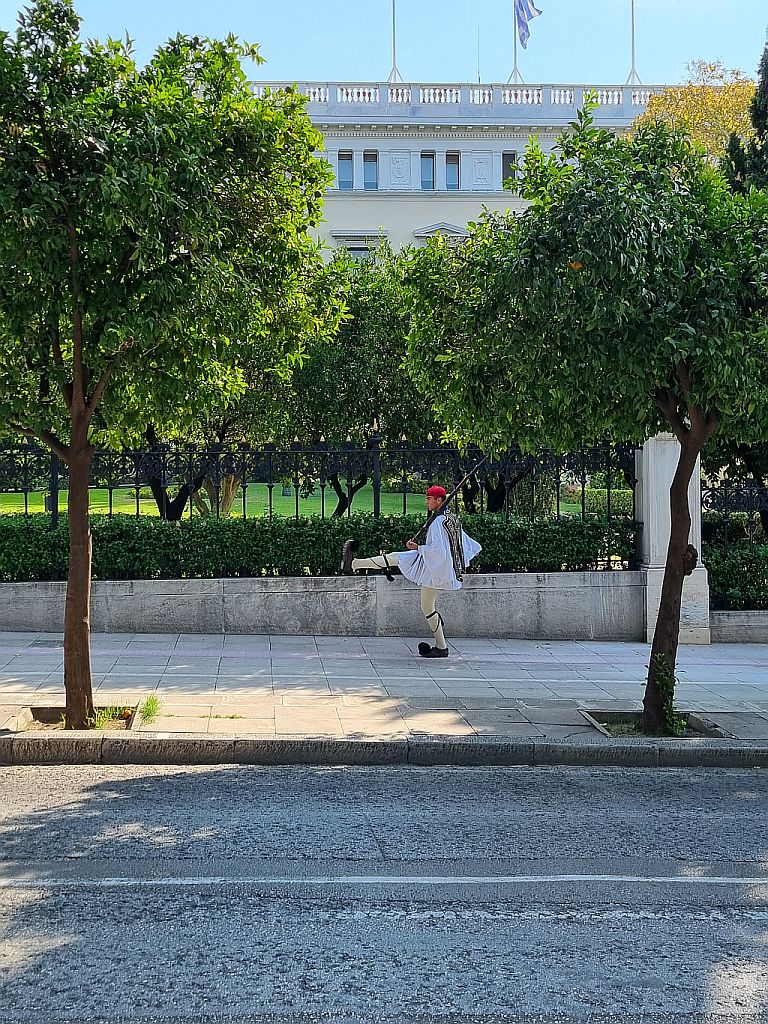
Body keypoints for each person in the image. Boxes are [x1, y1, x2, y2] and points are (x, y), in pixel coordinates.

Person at [340, 485, 481, 658]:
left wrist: (418, 547)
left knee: (401, 564)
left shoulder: (438, 522)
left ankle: (353, 564)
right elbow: (461, 543)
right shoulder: (451, 518)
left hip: (434, 566)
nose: (426, 502)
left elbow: (438, 550)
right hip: (438, 566)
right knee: (424, 602)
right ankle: (441, 646)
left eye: (429, 499)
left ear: (439, 500)